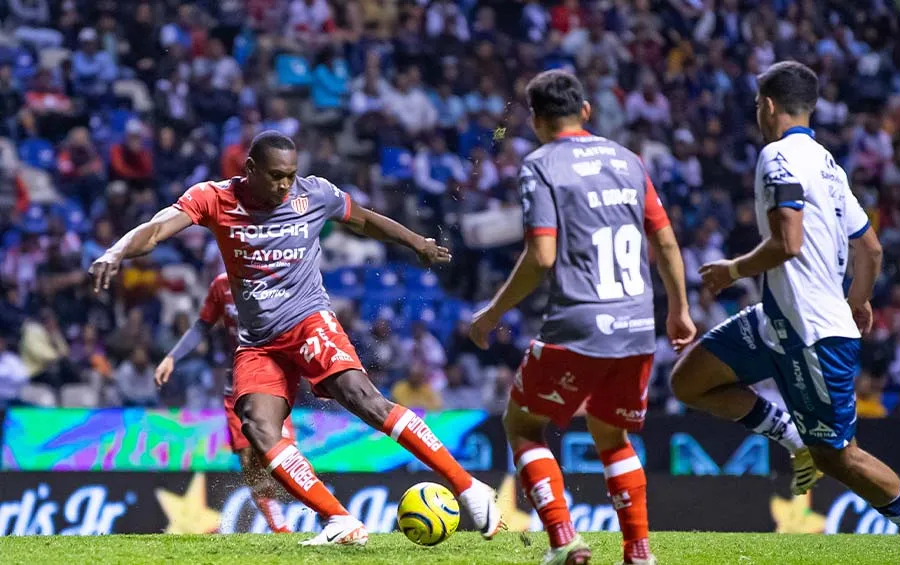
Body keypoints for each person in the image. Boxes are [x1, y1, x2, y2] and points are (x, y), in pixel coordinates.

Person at [89, 131, 501, 546]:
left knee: (363, 399)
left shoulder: (313, 194)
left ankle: (469, 488)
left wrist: (417, 243)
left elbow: (363, 219)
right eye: (275, 176)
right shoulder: (213, 198)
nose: (285, 185)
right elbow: (158, 228)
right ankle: (339, 520)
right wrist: (116, 252)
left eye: (291, 175)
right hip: (258, 342)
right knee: (258, 427)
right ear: (249, 170)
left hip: (308, 321)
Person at [669, 61, 900, 565]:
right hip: (779, 318)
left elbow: (788, 240)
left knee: (838, 455)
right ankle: (791, 438)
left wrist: (732, 270)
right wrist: (860, 299)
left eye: (758, 104)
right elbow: (870, 249)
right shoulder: (828, 165)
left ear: (769, 105)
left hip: (812, 333)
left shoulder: (777, 156)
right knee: (688, 381)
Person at [469, 70, 696, 565]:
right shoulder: (629, 160)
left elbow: (542, 256)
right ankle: (638, 553)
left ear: (535, 120)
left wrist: (491, 313)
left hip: (579, 324)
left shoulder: (540, 164)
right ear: (586, 111)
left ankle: (563, 541)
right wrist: (678, 308)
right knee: (612, 435)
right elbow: (665, 241)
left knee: (523, 425)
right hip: (638, 325)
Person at [154, 272, 294, 533]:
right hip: (236, 386)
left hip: (270, 381)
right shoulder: (221, 284)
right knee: (248, 458)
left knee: (277, 454)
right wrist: (173, 356)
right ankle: (281, 527)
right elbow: (202, 325)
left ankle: (325, 510)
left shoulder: (276, 279)